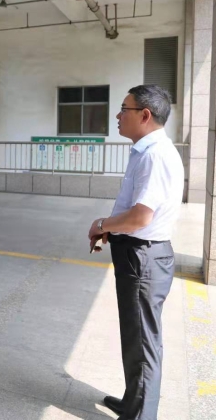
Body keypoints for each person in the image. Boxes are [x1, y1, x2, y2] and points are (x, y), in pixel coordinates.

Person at [87, 85, 183, 420]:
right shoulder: (147, 152)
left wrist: (102, 223)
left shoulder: (154, 156)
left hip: (143, 258)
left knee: (142, 342)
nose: (117, 115)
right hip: (140, 254)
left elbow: (141, 217)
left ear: (144, 115)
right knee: (136, 335)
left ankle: (140, 415)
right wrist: (112, 229)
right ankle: (134, 403)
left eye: (123, 109)